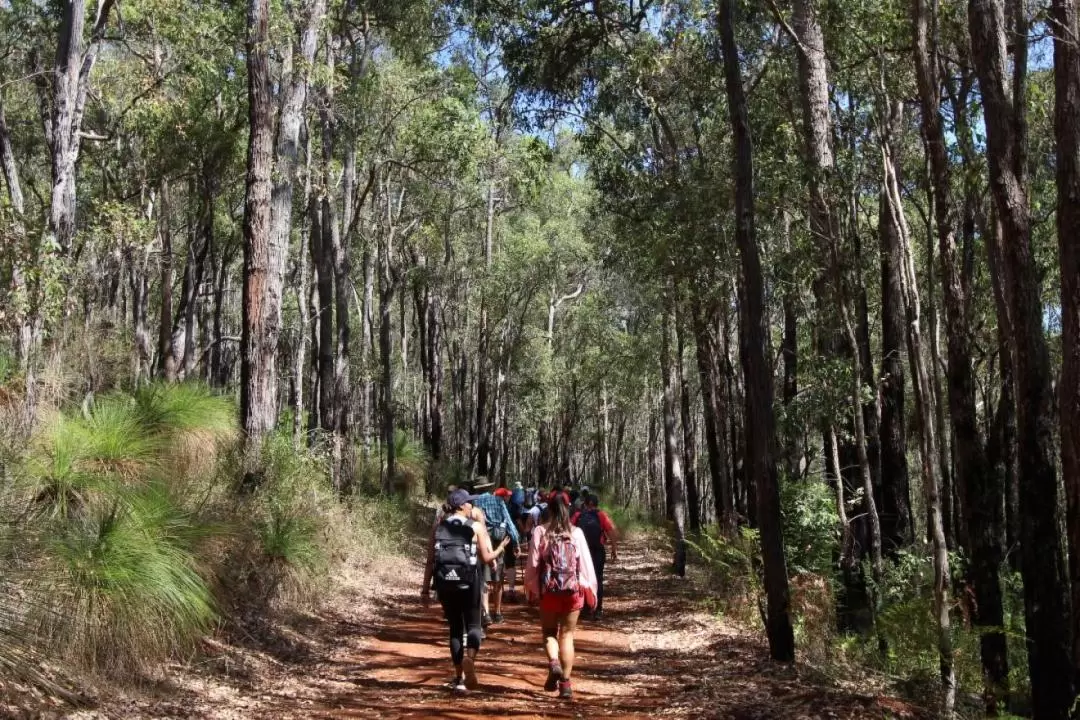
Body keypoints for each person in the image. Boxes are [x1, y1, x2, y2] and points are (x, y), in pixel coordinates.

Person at [422, 488, 510, 692]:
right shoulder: (475, 526)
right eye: (469, 502)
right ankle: (470, 658)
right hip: (469, 582)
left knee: (454, 628)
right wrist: (500, 548)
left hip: (445, 584)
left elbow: (429, 561)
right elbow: (487, 558)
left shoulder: (438, 526)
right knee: (473, 625)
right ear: (462, 506)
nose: (471, 505)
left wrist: (425, 591)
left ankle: (459, 676)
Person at [525, 492, 597, 700]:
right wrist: (590, 591)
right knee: (567, 635)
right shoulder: (576, 533)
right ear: (569, 509)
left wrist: (531, 589)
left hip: (549, 592)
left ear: (549, 509)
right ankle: (565, 684)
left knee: (549, 632)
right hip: (573, 593)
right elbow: (586, 567)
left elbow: (533, 565)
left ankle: (554, 663)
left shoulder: (540, 531)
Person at [470, 477, 520, 625]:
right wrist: (516, 541)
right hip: (499, 541)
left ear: (478, 489)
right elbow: (509, 522)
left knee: (483, 578)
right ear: (488, 487)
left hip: (482, 539)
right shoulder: (498, 501)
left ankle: (485, 613)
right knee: (498, 577)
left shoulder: (475, 503)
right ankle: (497, 612)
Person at [571, 492, 618, 620]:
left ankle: (585, 607)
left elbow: (569, 530)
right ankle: (598, 609)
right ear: (597, 504)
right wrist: (614, 549)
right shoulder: (601, 515)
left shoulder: (578, 515)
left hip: (581, 552)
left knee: (582, 578)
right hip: (597, 551)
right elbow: (611, 531)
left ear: (585, 504)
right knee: (598, 578)